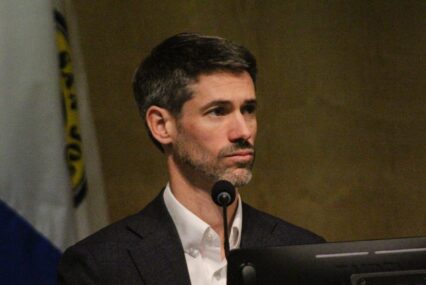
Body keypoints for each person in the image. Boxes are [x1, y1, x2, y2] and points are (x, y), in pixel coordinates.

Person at [58, 32, 324, 285]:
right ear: (162, 125)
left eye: (249, 109)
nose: (243, 131)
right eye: (218, 111)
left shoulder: (306, 252)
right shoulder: (100, 265)